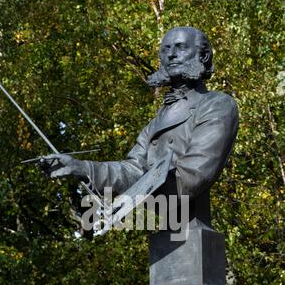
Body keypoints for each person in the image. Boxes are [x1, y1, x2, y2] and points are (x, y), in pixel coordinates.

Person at [40, 26, 238, 204]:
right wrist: (83, 168)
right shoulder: (156, 123)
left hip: (195, 232)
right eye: (166, 49)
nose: (171, 55)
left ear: (203, 56)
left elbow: (191, 178)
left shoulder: (217, 105)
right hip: (164, 229)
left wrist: (135, 195)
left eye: (180, 47)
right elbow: (133, 170)